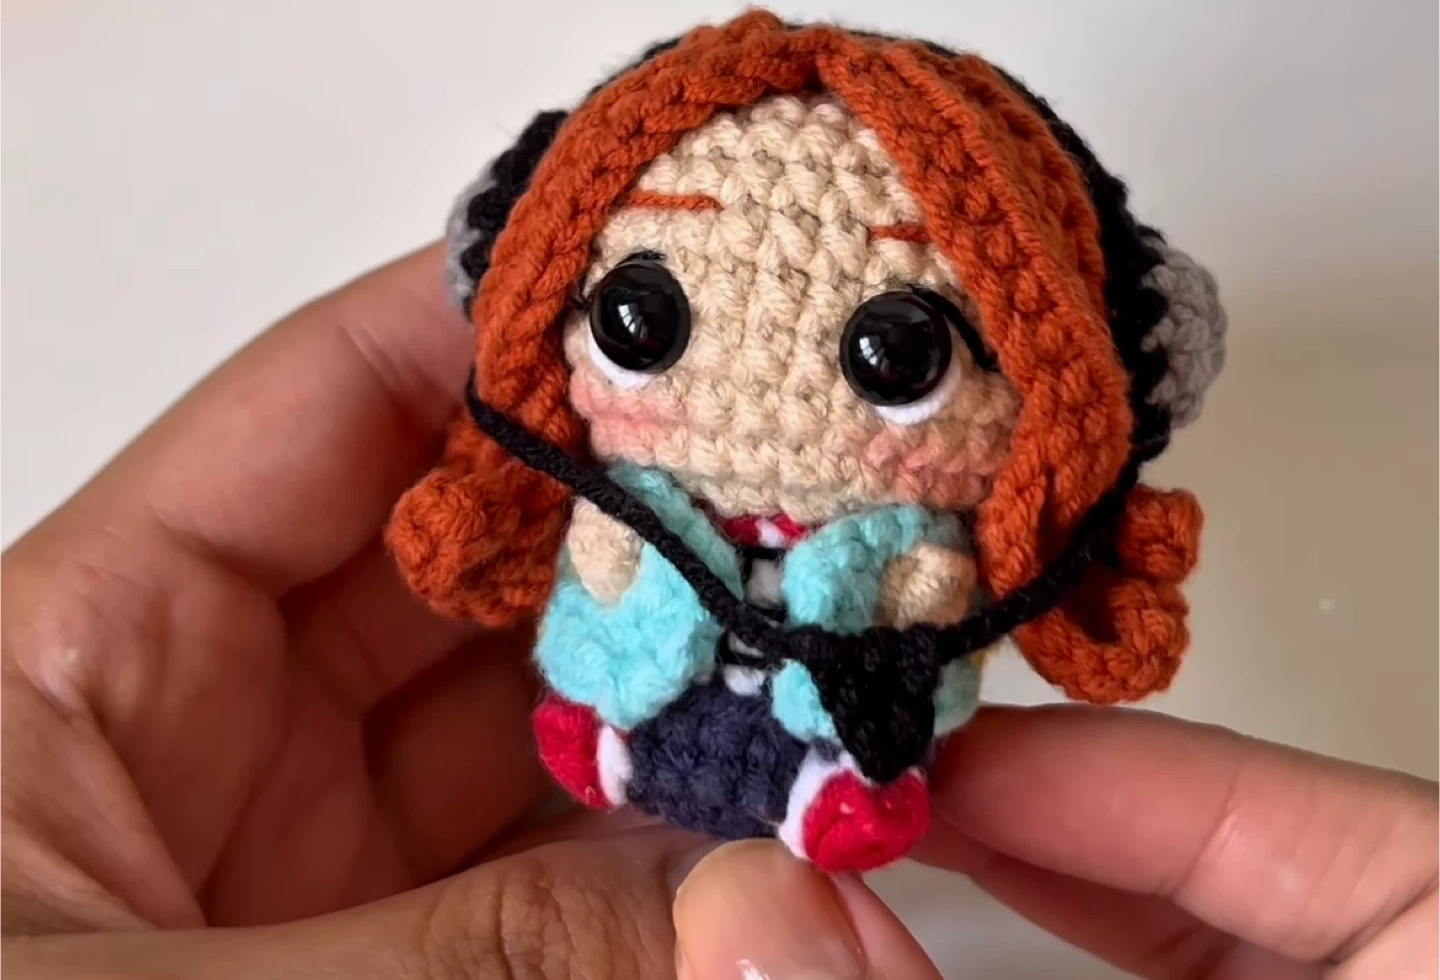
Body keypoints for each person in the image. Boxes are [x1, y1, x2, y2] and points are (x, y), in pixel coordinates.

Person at [0, 246, 1433, 979]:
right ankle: (615, 748)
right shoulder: (618, 504)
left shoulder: (914, 540)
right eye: (644, 320)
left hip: (832, 724)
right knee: (600, 682)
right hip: (635, 714)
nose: (766, 397)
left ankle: (819, 792)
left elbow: (924, 618)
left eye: (898, 351)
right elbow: (601, 593)